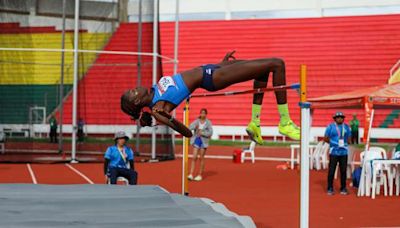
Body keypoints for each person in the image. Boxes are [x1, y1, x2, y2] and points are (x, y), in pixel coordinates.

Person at [120, 51, 300, 145]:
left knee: (263, 70)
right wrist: (168, 118)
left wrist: (221, 64)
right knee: (277, 64)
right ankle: (285, 122)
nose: (135, 88)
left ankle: (255, 122)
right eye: (133, 92)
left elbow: (192, 73)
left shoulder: (154, 88)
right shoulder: (157, 108)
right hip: (213, 79)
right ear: (137, 102)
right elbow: (187, 133)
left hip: (211, 70)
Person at [324, 111, 352, 195]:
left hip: (343, 152)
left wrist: (347, 142)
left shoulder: (347, 127)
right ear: (335, 119)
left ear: (343, 119)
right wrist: (333, 143)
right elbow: (325, 138)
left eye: (341, 117)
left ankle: (343, 188)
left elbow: (349, 138)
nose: (340, 119)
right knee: (331, 171)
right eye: (338, 117)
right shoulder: (330, 127)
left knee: (343, 171)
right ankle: (330, 188)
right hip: (334, 152)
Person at [188, 108, 213, 181]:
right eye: (201, 113)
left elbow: (210, 133)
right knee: (194, 157)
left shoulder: (208, 123)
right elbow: (190, 127)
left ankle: (199, 175)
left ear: (206, 114)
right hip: (197, 140)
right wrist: (194, 127)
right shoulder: (196, 121)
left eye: (204, 113)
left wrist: (202, 133)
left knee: (201, 157)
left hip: (204, 141)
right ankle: (191, 174)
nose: (202, 114)